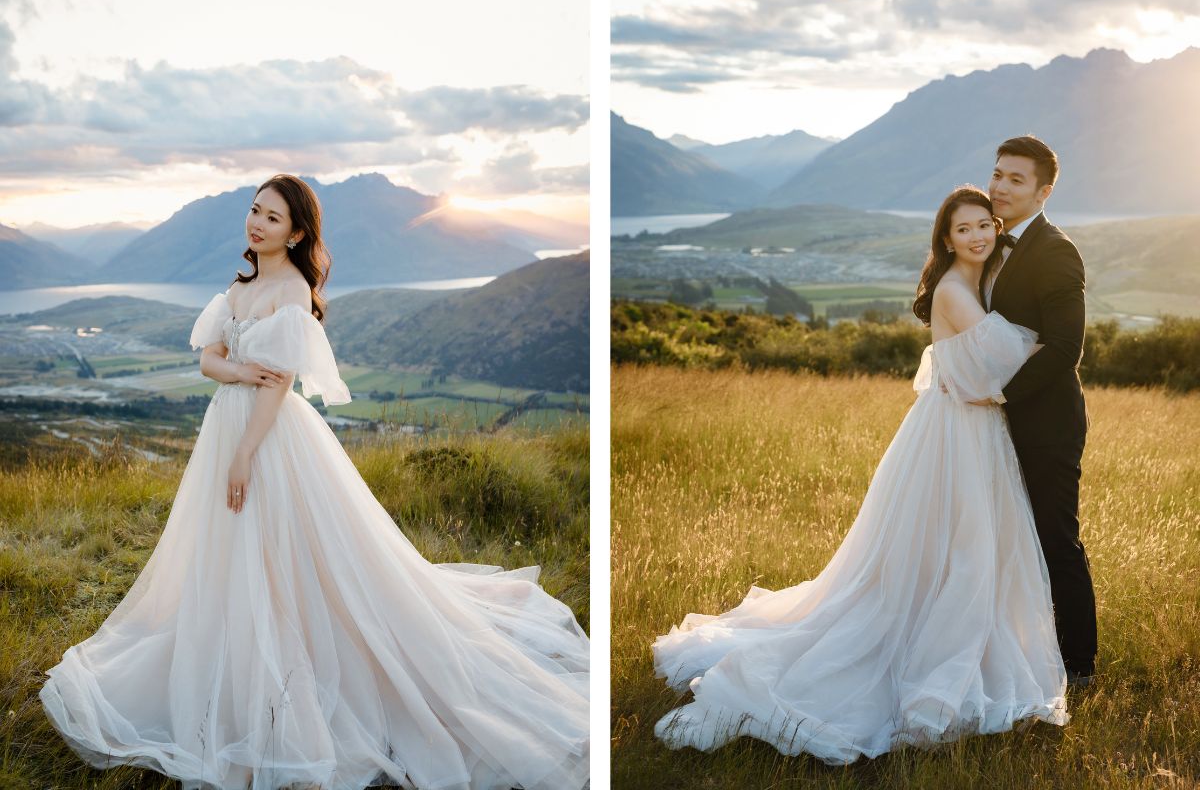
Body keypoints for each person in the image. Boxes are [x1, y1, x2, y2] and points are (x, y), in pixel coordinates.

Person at [39, 175, 590, 790]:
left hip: (267, 438)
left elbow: (280, 389)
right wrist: (240, 371)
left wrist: (246, 451)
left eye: (272, 218)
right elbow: (208, 358)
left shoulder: (294, 292)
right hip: (229, 422)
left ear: (297, 233)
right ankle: (235, 646)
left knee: (283, 550)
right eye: (254, 211)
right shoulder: (241, 285)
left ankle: (287, 659)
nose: (257, 224)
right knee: (228, 548)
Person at [651, 186, 1068, 764]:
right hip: (956, 433)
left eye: (984, 225)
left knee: (967, 545)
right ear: (946, 240)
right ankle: (930, 647)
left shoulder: (976, 282)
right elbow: (1003, 352)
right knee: (962, 545)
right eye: (964, 229)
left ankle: (957, 634)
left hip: (969, 427)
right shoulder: (954, 289)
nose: (977, 236)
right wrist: (1051, 339)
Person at [985, 135, 1097, 686]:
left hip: (1046, 423)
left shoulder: (1055, 251)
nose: (1000, 186)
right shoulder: (991, 239)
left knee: (1055, 537)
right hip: (994, 424)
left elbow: (1064, 347)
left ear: (1043, 191)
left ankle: (1079, 665)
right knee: (1002, 538)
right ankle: (1016, 648)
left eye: (1016, 179)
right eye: (998, 174)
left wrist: (1000, 393)